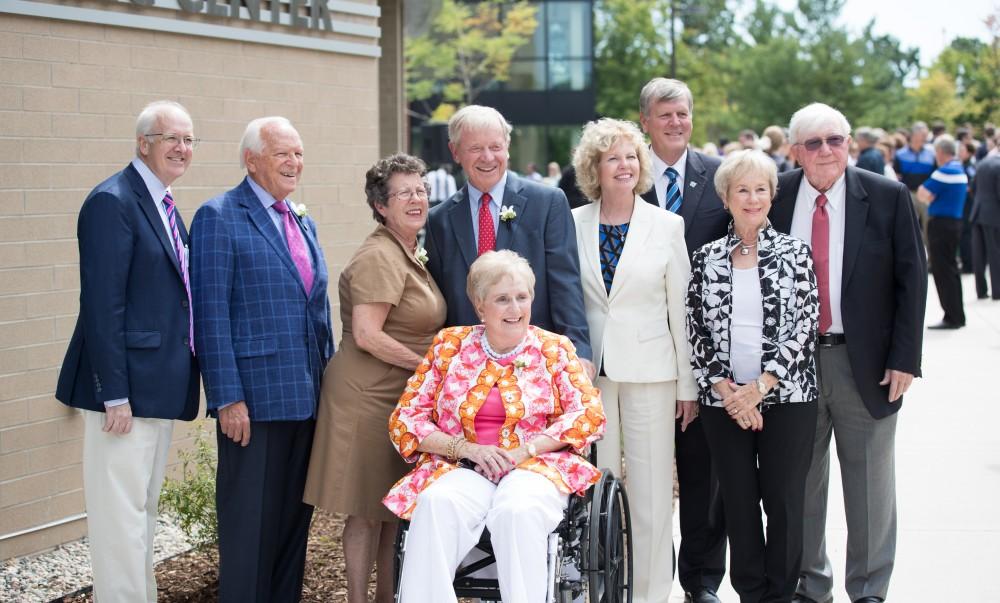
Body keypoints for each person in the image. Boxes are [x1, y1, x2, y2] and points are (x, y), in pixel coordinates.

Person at [769, 103, 926, 603]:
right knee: (800, 484)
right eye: (812, 143)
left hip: (869, 365)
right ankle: (810, 585)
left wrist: (904, 358)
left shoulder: (885, 196)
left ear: (850, 143)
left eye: (835, 140)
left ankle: (869, 589)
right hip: (792, 367)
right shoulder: (775, 197)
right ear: (795, 152)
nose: (826, 151)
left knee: (870, 489)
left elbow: (912, 280)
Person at [385, 250, 606, 603]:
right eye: (502, 299)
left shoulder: (554, 349)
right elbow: (405, 418)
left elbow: (588, 413)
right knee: (435, 504)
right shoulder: (449, 346)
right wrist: (466, 449)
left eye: (522, 297)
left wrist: (525, 450)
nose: (515, 308)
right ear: (479, 306)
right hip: (463, 465)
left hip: (535, 466)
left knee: (518, 510)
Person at [55, 100, 201, 603]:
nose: (182, 148)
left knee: (141, 512)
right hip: (124, 395)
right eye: (170, 139)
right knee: (119, 521)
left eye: (188, 140)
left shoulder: (162, 202)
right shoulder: (112, 202)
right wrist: (113, 393)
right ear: (143, 144)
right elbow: (102, 305)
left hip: (157, 388)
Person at [190, 116, 334, 603]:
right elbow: (210, 315)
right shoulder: (219, 216)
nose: (294, 162)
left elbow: (316, 313)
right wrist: (227, 397)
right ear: (252, 161)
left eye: (298, 153)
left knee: (292, 531)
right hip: (254, 404)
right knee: (249, 531)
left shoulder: (302, 219)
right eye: (282, 154)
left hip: (306, 401)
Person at [303, 154, 446, 603]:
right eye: (404, 193)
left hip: (394, 397)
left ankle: (386, 597)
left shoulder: (404, 250)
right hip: (365, 398)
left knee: (388, 510)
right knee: (365, 514)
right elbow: (367, 335)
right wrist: (429, 370)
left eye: (421, 190)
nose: (416, 199)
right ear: (380, 205)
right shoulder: (379, 256)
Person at [571, 118, 696, 602]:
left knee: (650, 495)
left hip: (652, 373)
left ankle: (648, 595)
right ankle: (595, 589)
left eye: (631, 157)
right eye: (612, 158)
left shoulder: (667, 226)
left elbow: (679, 309)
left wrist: (687, 385)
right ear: (594, 167)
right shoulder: (573, 221)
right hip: (590, 377)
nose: (623, 166)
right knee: (593, 488)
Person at [687, 149, 819, 602]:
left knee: (782, 503)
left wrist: (759, 389)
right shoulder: (706, 259)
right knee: (738, 506)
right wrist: (730, 394)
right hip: (723, 402)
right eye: (742, 189)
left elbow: (804, 327)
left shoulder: (795, 254)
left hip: (788, 398)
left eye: (761, 189)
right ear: (726, 197)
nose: (752, 198)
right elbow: (696, 330)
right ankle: (750, 593)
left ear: (771, 195)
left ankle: (780, 595)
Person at [637, 77, 730, 603]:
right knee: (647, 477)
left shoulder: (718, 176)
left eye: (684, 113)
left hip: (708, 351)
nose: (676, 122)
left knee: (704, 477)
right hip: (646, 347)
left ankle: (702, 581)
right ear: (645, 120)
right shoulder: (624, 175)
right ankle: (649, 576)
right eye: (665, 114)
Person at [424, 104, 594, 373]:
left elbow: (566, 282)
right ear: (455, 152)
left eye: (495, 146)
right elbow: (441, 301)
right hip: (466, 368)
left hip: (538, 361)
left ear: (508, 146)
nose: (488, 157)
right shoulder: (439, 220)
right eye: (475, 148)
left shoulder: (547, 203)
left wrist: (578, 350)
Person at [917, 135, 969, 329]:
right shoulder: (959, 169)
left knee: (942, 270)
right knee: (951, 269)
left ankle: (951, 316)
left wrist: (931, 199)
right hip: (954, 223)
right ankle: (957, 314)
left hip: (941, 225)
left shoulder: (944, 171)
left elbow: (922, 192)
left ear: (939, 152)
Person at [894, 121, 935, 249]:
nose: (925, 137)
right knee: (908, 227)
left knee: (929, 227)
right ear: (914, 135)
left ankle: (929, 261)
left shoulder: (931, 153)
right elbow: (897, 174)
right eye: (923, 134)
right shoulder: (900, 154)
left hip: (926, 195)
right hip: (908, 193)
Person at [971, 139, 1000, 300]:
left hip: (978, 212)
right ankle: (998, 290)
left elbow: (973, 187)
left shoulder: (983, 163)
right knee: (995, 253)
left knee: (979, 255)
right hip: (994, 214)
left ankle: (981, 290)